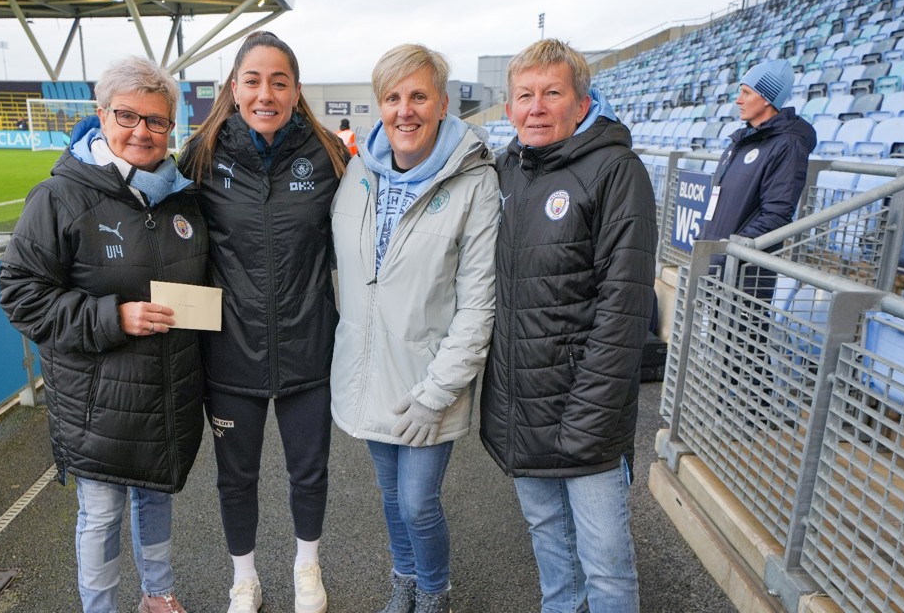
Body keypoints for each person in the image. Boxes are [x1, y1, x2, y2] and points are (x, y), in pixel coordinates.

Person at [0, 56, 205, 613]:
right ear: (100, 115)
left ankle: (158, 595)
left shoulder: (184, 198)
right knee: (103, 513)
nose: (142, 131)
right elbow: (20, 294)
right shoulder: (60, 197)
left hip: (166, 391)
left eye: (157, 120)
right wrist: (112, 318)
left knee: (157, 496)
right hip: (96, 398)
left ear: (171, 127)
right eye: (127, 115)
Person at [480, 39, 658, 613]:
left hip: (587, 416)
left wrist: (590, 417)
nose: (536, 107)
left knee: (606, 568)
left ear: (581, 104)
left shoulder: (615, 171)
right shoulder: (504, 170)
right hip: (522, 409)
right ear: (507, 108)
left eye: (552, 93)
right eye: (524, 96)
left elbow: (623, 308)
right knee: (553, 557)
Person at [178, 31, 349, 613]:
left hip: (309, 349)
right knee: (235, 478)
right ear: (234, 87)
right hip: (230, 353)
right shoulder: (201, 156)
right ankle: (243, 579)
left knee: (309, 472)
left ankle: (308, 568)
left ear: (297, 91)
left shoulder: (329, 157)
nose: (265, 93)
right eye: (253, 80)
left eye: (279, 81)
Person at [330, 43, 499, 613]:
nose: (405, 110)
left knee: (418, 503)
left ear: (443, 103)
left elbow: (478, 306)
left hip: (429, 382)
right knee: (388, 496)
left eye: (419, 96)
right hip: (370, 369)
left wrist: (436, 394)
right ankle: (403, 578)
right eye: (393, 97)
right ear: (380, 105)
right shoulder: (358, 172)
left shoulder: (475, 184)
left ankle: (434, 591)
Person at [699, 58, 818, 299]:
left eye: (746, 92)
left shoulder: (788, 144)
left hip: (743, 275)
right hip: (716, 266)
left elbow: (776, 214)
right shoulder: (742, 140)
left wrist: (730, 252)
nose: (738, 100)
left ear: (766, 97)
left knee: (737, 337)